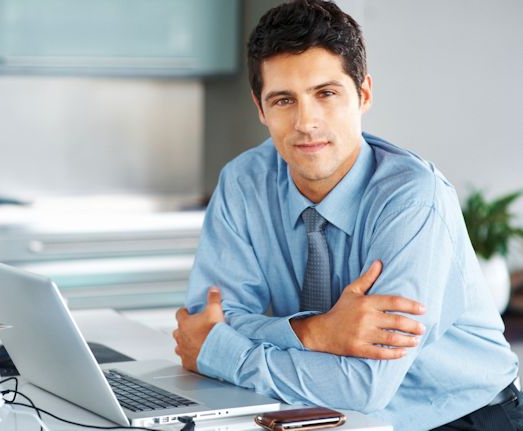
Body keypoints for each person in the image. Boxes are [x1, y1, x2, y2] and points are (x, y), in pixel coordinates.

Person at [171, 1, 522, 430]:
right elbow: (205, 323)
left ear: (364, 94)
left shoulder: (412, 201)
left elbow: (365, 387)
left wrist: (224, 350)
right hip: (317, 414)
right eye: (283, 100)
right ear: (261, 109)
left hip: (463, 417)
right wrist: (315, 332)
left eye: (326, 93)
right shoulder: (244, 183)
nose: (306, 122)